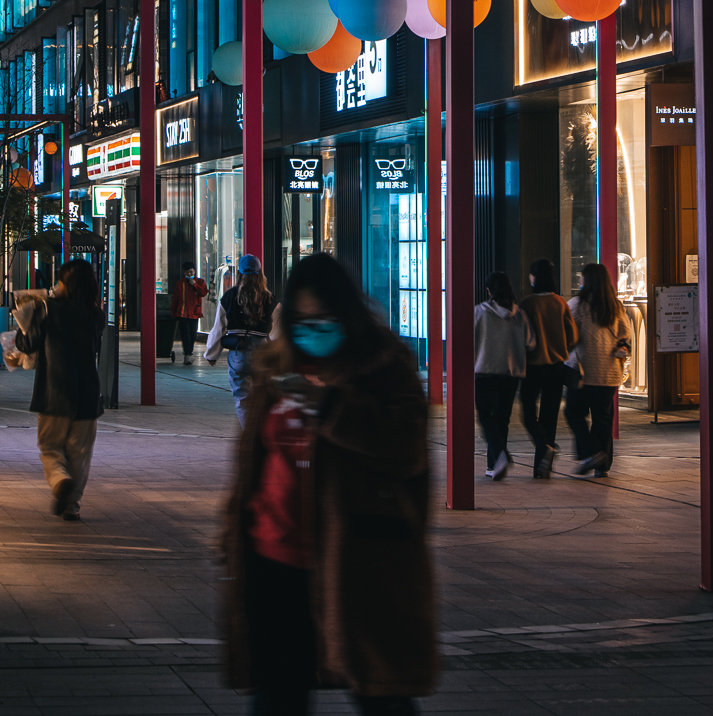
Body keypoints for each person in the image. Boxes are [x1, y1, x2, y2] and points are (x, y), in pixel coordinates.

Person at [223, 252, 437, 716]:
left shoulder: (382, 365)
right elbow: (251, 463)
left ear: (347, 314)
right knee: (277, 695)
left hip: (359, 562)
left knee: (380, 691)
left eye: (324, 320)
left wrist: (331, 407)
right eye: (303, 322)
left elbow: (406, 446)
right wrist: (231, 530)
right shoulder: (276, 365)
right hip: (276, 561)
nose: (313, 331)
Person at [14, 258, 105, 521]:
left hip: (54, 393)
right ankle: (72, 505)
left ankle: (59, 480)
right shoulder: (96, 315)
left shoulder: (49, 310)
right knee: (79, 454)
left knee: (50, 447)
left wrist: (24, 322)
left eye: (60, 281)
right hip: (87, 394)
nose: (56, 285)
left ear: (67, 284)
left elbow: (27, 344)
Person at [565, 262, 630, 478]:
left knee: (574, 413)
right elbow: (625, 334)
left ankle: (592, 453)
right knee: (603, 419)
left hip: (583, 371)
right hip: (609, 373)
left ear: (588, 281)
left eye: (582, 278)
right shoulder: (615, 306)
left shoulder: (577, 305)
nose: (580, 281)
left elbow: (568, 334)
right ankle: (603, 465)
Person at [519, 258, 578, 479]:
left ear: (534, 277)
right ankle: (542, 468)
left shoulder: (527, 304)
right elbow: (573, 336)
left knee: (527, 413)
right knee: (549, 416)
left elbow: (520, 336)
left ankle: (543, 445)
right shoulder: (560, 302)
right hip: (556, 367)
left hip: (532, 367)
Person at [473, 271, 534, 480]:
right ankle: (494, 465)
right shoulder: (519, 315)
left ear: (489, 291)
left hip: (485, 371)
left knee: (485, 417)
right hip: (511, 373)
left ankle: (499, 456)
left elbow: (468, 340)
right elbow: (531, 342)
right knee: (502, 419)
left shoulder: (479, 312)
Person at [205, 255, 276, 425]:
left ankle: (249, 433)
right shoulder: (270, 298)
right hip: (262, 352)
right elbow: (277, 331)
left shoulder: (229, 297)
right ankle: (261, 432)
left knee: (242, 398)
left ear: (239, 273)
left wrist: (211, 355)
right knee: (263, 397)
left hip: (239, 352)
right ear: (260, 274)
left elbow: (219, 328)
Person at [170, 259, 208, 365]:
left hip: (194, 313)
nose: (189, 274)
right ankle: (187, 354)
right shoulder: (180, 283)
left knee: (192, 335)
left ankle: (189, 353)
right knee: (185, 335)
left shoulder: (200, 282)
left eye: (191, 272)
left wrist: (194, 284)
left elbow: (203, 293)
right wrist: (173, 312)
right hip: (182, 313)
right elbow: (175, 299)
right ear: (184, 273)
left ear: (194, 271)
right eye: (187, 272)